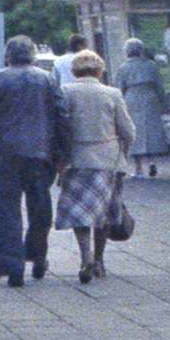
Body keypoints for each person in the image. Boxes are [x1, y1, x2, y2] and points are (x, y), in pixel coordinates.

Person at [0, 34, 65, 287]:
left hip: (5, 156)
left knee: (6, 212)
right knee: (40, 210)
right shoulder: (47, 79)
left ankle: (13, 268)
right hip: (40, 155)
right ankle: (37, 255)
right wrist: (61, 152)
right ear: (33, 55)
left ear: (7, 56)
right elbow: (62, 116)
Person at [55, 49, 137, 283]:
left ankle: (85, 257)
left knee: (80, 212)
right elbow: (128, 131)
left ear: (75, 71)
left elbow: (59, 127)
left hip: (76, 160)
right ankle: (99, 260)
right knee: (104, 212)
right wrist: (123, 155)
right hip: (107, 161)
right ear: (99, 70)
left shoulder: (65, 93)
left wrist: (59, 157)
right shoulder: (112, 94)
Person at [116, 39, 165, 166]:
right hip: (150, 97)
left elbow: (119, 87)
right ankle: (152, 161)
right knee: (151, 129)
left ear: (127, 51)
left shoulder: (124, 68)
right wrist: (163, 103)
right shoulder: (151, 65)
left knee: (134, 130)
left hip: (131, 97)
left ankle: (138, 167)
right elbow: (159, 86)